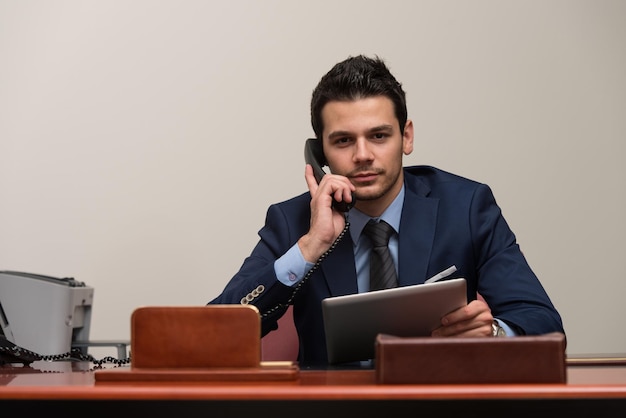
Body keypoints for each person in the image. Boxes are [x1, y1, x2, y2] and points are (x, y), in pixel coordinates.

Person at [208, 55, 564, 367]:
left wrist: (494, 334)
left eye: (379, 136)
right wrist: (309, 247)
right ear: (320, 154)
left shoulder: (467, 207)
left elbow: (544, 323)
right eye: (343, 140)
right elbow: (215, 334)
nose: (362, 155)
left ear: (406, 137)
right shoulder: (294, 222)